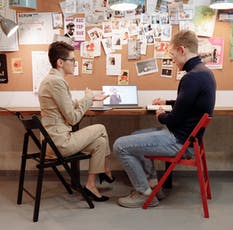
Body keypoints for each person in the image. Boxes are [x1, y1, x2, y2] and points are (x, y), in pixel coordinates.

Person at [113, 30, 216, 208]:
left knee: (120, 145)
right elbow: (189, 103)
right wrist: (167, 102)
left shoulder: (192, 77)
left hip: (179, 141)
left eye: (173, 54)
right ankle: (153, 186)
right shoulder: (204, 73)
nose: (173, 59)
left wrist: (161, 115)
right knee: (137, 134)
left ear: (182, 49)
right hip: (190, 140)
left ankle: (144, 193)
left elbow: (173, 120)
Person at [38, 41, 115, 202]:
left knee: (100, 142)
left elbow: (69, 106)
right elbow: (72, 118)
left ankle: (91, 186)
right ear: (60, 62)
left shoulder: (51, 80)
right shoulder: (56, 82)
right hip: (59, 143)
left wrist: (90, 98)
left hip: (52, 141)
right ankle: (106, 170)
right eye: (72, 60)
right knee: (100, 128)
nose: (75, 63)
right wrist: (87, 99)